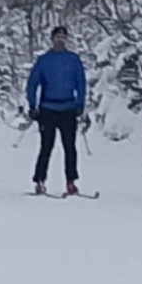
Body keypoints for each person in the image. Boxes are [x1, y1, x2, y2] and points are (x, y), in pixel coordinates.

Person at [26, 25, 87, 195]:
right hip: (48, 108)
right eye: (57, 36)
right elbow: (33, 83)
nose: (60, 39)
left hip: (68, 108)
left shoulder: (73, 59)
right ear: (52, 39)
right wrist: (32, 105)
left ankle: (71, 181)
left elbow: (80, 82)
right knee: (46, 146)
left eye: (63, 36)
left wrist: (80, 103)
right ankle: (39, 180)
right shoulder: (44, 60)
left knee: (70, 147)